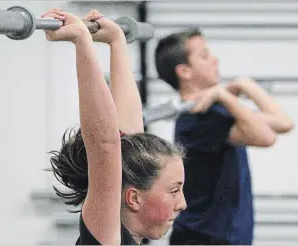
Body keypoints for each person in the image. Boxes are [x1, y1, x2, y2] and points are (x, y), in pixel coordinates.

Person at [42, 8, 187, 245]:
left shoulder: (130, 232)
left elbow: (127, 140)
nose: (182, 203)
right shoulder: (109, 238)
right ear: (133, 198)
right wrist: (82, 42)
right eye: (174, 190)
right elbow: (105, 145)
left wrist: (116, 42)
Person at [155, 28, 294, 245]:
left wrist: (244, 85)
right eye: (204, 56)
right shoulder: (196, 120)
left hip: (227, 238)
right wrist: (226, 96)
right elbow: (267, 137)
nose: (214, 60)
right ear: (185, 71)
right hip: (204, 239)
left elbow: (284, 123)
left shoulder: (216, 111)